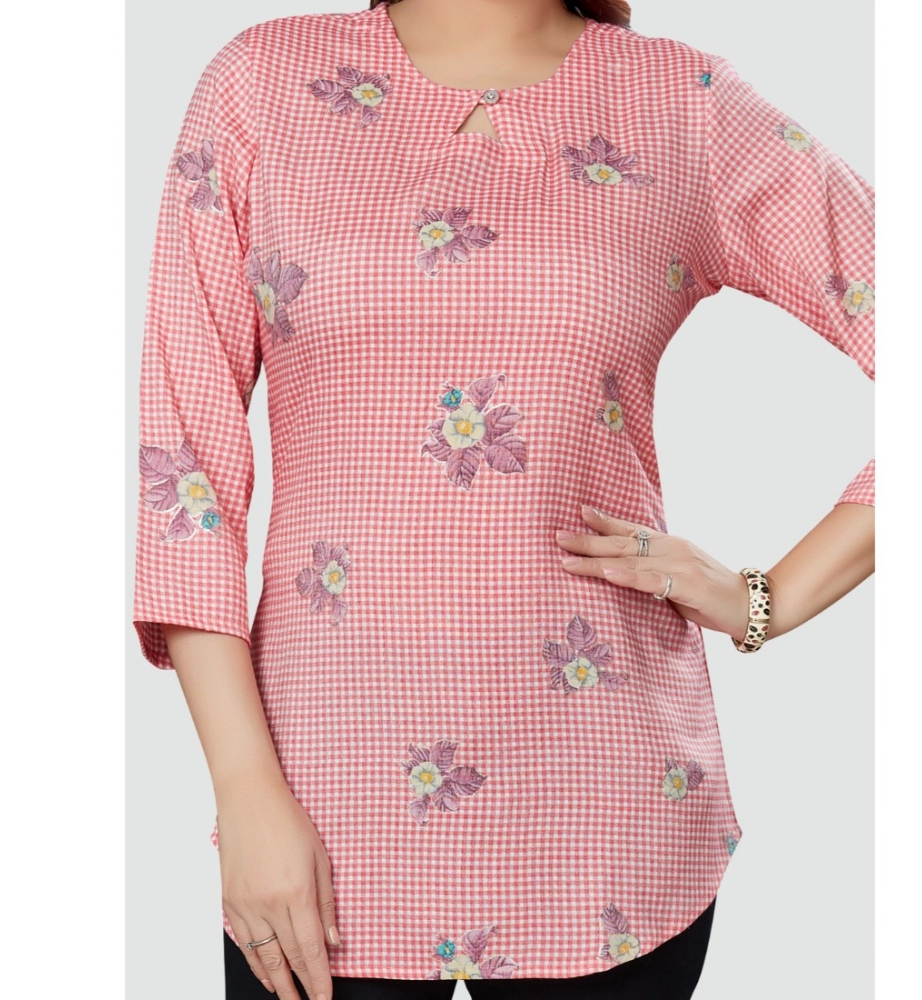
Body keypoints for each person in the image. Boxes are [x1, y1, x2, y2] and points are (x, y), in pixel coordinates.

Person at [131, 1, 875, 997]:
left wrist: (762, 599)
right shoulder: (260, 83)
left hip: (605, 823)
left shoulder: (683, 103)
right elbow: (186, 470)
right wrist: (243, 790)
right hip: (319, 814)